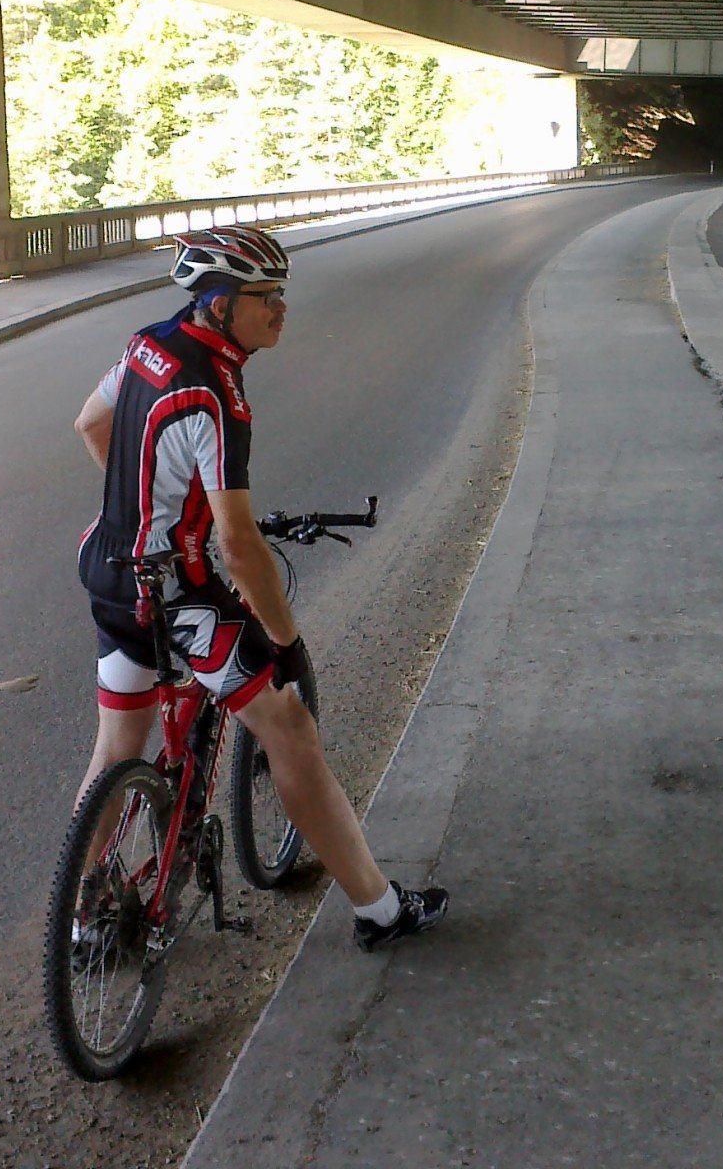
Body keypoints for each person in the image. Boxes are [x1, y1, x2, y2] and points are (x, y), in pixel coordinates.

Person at [69, 225, 449, 951]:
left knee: (118, 746)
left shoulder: (149, 342)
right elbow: (240, 549)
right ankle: (380, 911)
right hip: (174, 598)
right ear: (217, 305)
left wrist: (145, 510)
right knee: (290, 730)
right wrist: (285, 641)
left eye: (281, 295)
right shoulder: (215, 397)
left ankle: (85, 922)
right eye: (264, 297)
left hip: (107, 568)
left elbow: (91, 424)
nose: (280, 309)